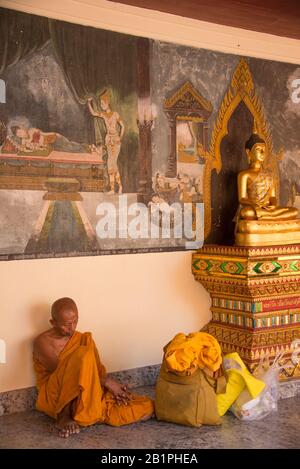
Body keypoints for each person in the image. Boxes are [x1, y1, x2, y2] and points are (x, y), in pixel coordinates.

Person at [33, 298, 154, 438]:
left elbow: (92, 372)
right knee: (83, 353)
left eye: (75, 321)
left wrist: (106, 389)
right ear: (53, 323)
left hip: (83, 390)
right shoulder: (42, 342)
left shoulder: (83, 339)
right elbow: (65, 374)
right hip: (56, 395)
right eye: (66, 325)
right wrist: (107, 382)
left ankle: (88, 410)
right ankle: (64, 416)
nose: (72, 328)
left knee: (147, 405)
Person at [237, 133, 298, 221]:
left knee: (294, 211)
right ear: (248, 152)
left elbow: (272, 197)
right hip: (254, 208)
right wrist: (254, 205)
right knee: (246, 212)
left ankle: (267, 216)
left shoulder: (269, 174)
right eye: (259, 149)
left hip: (268, 209)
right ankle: (270, 217)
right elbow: (242, 199)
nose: (262, 153)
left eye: (264, 150)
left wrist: (273, 204)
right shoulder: (244, 175)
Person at [87, 90, 125, 194]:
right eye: (100, 103)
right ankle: (118, 187)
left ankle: (114, 188)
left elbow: (123, 126)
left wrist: (120, 137)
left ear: (107, 103)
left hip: (116, 141)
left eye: (102, 103)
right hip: (108, 140)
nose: (101, 105)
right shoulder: (103, 114)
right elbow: (94, 113)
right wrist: (89, 103)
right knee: (113, 165)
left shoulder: (115, 114)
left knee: (111, 163)